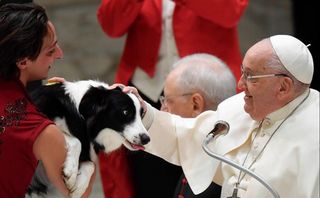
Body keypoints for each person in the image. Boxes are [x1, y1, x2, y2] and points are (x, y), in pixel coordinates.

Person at [125, 34, 319, 197]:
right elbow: (187, 137)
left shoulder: (314, 134)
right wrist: (142, 112)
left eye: (251, 76)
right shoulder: (236, 107)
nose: (241, 84)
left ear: (283, 87)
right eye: (243, 72)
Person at [96, 0, 248, 196]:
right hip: (147, 90)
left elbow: (231, 10)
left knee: (211, 177)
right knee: (148, 182)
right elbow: (111, 25)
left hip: (206, 90)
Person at [0, 3, 91, 197]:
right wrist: (79, 121)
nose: (59, 54)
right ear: (23, 61)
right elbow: (78, 193)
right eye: (50, 51)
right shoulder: (42, 132)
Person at [159, 53, 236, 197]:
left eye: (167, 101)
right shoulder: (197, 145)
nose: (162, 110)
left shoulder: (224, 168)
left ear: (196, 104)